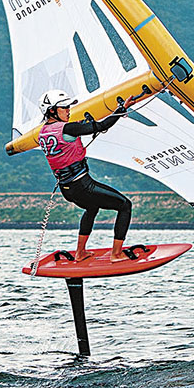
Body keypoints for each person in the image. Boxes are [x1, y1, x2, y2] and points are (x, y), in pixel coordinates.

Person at [37, 89, 140, 262]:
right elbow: (101, 126)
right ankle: (115, 254)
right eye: (64, 107)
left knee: (92, 208)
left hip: (67, 189)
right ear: (52, 110)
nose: (68, 110)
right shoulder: (68, 128)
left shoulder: (42, 132)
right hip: (83, 186)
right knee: (125, 206)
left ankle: (80, 252)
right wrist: (121, 109)